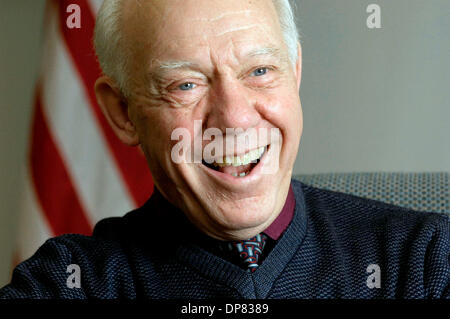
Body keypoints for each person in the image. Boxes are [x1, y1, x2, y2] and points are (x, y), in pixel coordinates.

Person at [0, 0, 448, 299]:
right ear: (122, 112)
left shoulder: (425, 263)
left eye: (259, 71)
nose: (234, 118)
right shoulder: (66, 285)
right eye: (186, 84)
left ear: (294, 73)